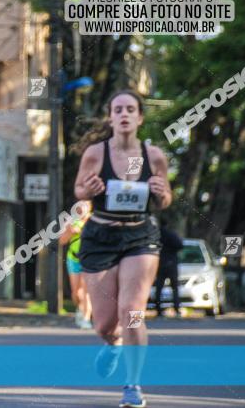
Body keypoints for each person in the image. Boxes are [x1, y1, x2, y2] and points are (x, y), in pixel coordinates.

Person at [73, 90, 172, 408]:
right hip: (100, 237)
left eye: (131, 109)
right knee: (104, 323)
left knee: (131, 312)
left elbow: (166, 197)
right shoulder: (95, 153)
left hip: (139, 237)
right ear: (111, 116)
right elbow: (78, 189)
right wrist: (86, 190)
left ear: (140, 117)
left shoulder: (154, 155)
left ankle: (133, 385)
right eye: (118, 109)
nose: (125, 114)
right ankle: (113, 344)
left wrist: (161, 192)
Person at [60, 200, 93, 328]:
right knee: (76, 292)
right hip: (73, 258)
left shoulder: (93, 220)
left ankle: (86, 318)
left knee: (86, 291)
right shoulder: (71, 220)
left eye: (85, 205)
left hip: (89, 259)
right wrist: (70, 232)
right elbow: (61, 241)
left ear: (89, 207)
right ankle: (80, 308)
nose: (82, 208)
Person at [153, 218, 184, 318]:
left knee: (159, 287)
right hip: (171, 263)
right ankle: (176, 308)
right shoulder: (171, 234)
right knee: (174, 287)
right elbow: (180, 245)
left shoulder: (156, 235)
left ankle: (158, 309)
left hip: (159, 263)